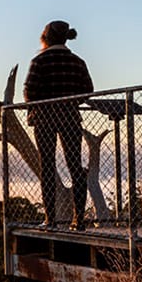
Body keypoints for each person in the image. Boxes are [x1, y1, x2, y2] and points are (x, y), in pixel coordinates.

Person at [24, 20, 93, 229]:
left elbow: (29, 93)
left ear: (45, 37)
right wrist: (69, 101)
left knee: (47, 166)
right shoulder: (77, 62)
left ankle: (50, 219)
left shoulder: (39, 61)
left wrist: (45, 103)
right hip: (70, 117)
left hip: (44, 119)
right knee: (75, 166)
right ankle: (79, 219)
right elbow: (88, 90)